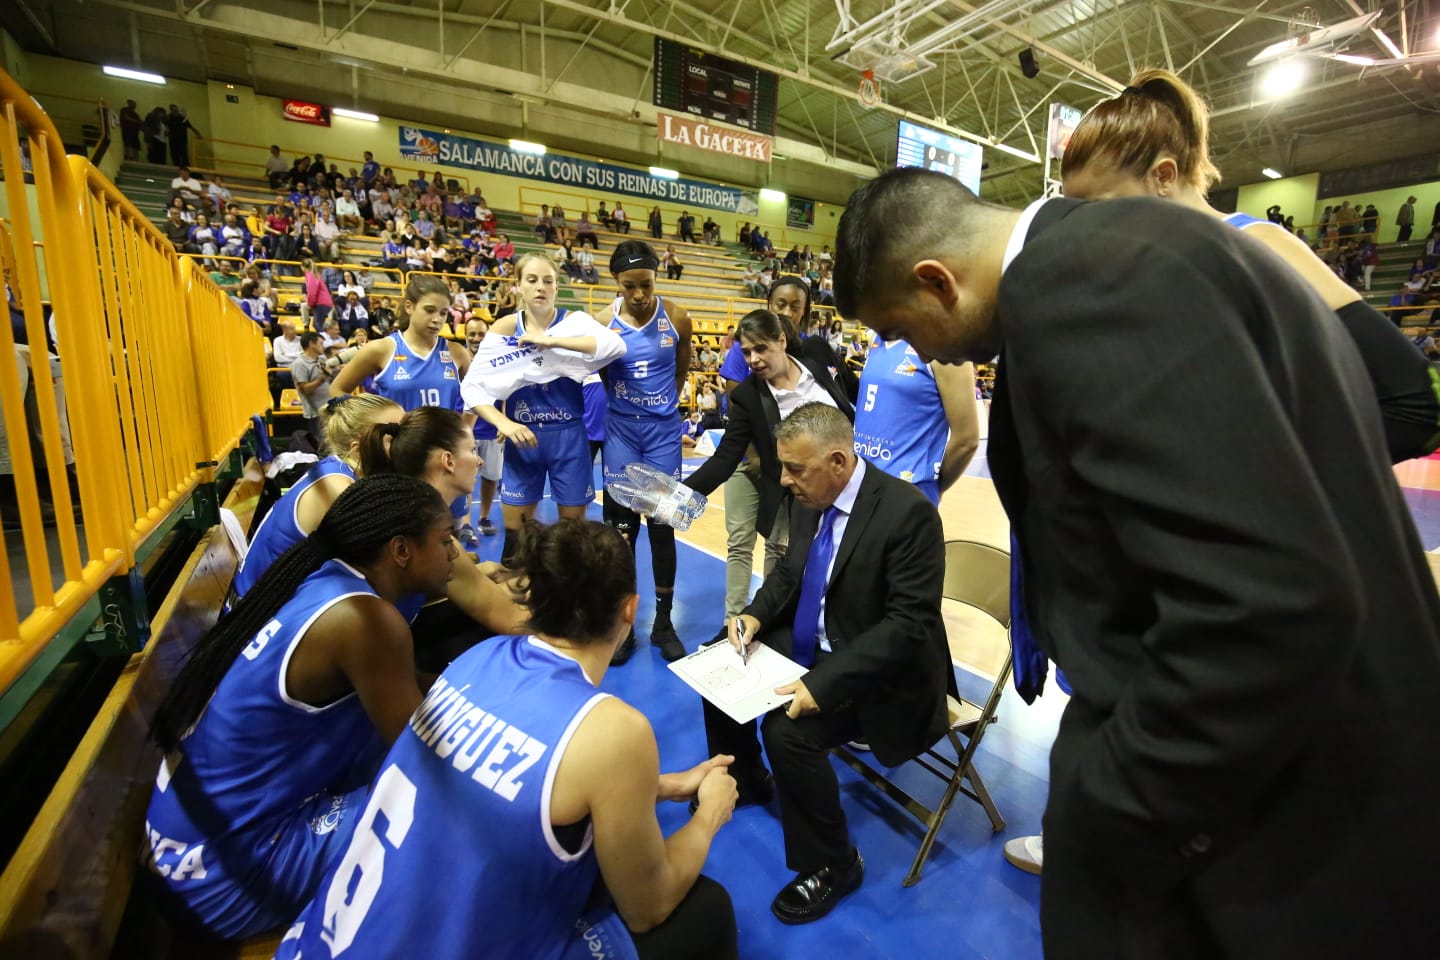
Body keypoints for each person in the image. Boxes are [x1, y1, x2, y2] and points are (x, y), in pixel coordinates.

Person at [834, 165, 1440, 958]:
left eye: (903, 330)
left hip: (1281, 817)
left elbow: (1269, 605)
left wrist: (1111, 807)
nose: (916, 352)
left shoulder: (1080, 284)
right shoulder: (1140, 247)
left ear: (936, 282)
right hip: (1319, 775)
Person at [274, 520, 740, 960]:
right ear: (629, 609)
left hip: (315, 942)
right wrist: (711, 815)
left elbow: (519, 776)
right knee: (706, 908)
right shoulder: (615, 730)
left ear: (532, 597)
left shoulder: (480, 658)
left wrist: (659, 784)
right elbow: (647, 907)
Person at [1059, 70, 1440, 466]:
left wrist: (1269, 472)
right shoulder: (1140, 272)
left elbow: (1421, 403)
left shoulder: (1256, 246)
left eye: (1099, 209)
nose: (1088, 230)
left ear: (1164, 176)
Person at [142, 476, 458, 940]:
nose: (455, 551)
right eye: (446, 539)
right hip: (223, 881)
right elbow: (426, 764)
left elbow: (408, 687)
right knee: (439, 814)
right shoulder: (366, 621)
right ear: (401, 550)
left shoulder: (322, 578)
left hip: (183, 851)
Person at [705, 403, 948, 924]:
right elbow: (791, 576)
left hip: (883, 671)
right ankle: (746, 781)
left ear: (838, 462)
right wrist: (751, 615)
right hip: (819, 640)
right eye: (783, 467)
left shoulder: (908, 513)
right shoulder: (810, 495)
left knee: (789, 731)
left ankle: (836, 864)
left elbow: (909, 626)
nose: (784, 480)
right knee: (721, 658)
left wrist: (826, 683)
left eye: (795, 469)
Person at [684, 307, 855, 643]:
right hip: (799, 501)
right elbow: (725, 457)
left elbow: (855, 395)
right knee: (789, 575)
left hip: (848, 487)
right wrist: (678, 494)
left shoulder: (819, 362)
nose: (753, 359)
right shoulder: (748, 396)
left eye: (760, 348)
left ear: (781, 340)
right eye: (746, 352)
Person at [460, 253, 625, 565]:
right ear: (518, 286)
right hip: (524, 440)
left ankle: (567, 605)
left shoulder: (575, 322)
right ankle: (514, 607)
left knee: (572, 540)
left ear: (556, 287)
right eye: (532, 280)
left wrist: (551, 341)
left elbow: (615, 346)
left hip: (570, 440)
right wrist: (502, 422)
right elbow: (471, 387)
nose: (540, 287)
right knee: (516, 543)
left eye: (548, 281)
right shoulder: (505, 327)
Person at [332, 274, 478, 547]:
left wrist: (465, 428)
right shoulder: (381, 349)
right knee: (403, 540)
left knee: (448, 540)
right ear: (409, 307)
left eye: (444, 313)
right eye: (430, 310)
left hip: (445, 459)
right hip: (399, 459)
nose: (437, 319)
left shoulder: (457, 353)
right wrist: (369, 429)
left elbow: (478, 395)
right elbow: (337, 391)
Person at [600, 241, 693, 665]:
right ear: (616, 283)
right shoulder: (603, 324)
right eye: (629, 286)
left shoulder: (676, 317)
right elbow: (601, 375)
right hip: (621, 434)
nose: (639, 295)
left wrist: (663, 412)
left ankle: (664, 623)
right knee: (621, 535)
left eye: (646, 284)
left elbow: (680, 368)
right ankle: (622, 625)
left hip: (662, 434)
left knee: (662, 527)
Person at [853, 332, 979, 505]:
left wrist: (934, 486)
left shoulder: (948, 346)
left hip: (908, 491)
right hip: (861, 483)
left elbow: (966, 440)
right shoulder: (876, 337)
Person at [464, 317, 503, 537]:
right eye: (472, 334)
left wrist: (503, 422)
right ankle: (466, 521)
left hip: (491, 430)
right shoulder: (459, 361)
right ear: (465, 335)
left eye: (481, 334)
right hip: (465, 431)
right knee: (466, 478)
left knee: (491, 477)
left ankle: (484, 517)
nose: (477, 338)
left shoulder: (497, 360)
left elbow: (505, 394)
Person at [291, 331, 332, 445]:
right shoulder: (299, 364)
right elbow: (305, 389)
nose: (323, 347)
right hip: (315, 413)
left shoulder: (322, 360)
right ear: (312, 344)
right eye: (321, 343)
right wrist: (322, 378)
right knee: (322, 446)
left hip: (328, 408)